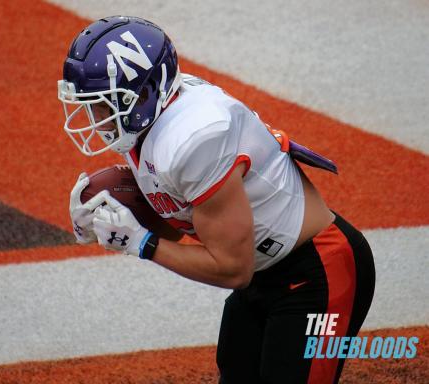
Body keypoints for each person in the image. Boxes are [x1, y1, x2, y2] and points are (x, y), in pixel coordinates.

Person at [58, 16, 376, 384]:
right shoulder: (154, 119)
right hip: (262, 273)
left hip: (319, 271)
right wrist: (107, 222)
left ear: (143, 96)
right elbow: (180, 223)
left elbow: (231, 268)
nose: (95, 118)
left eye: (102, 103)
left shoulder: (193, 137)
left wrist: (141, 243)